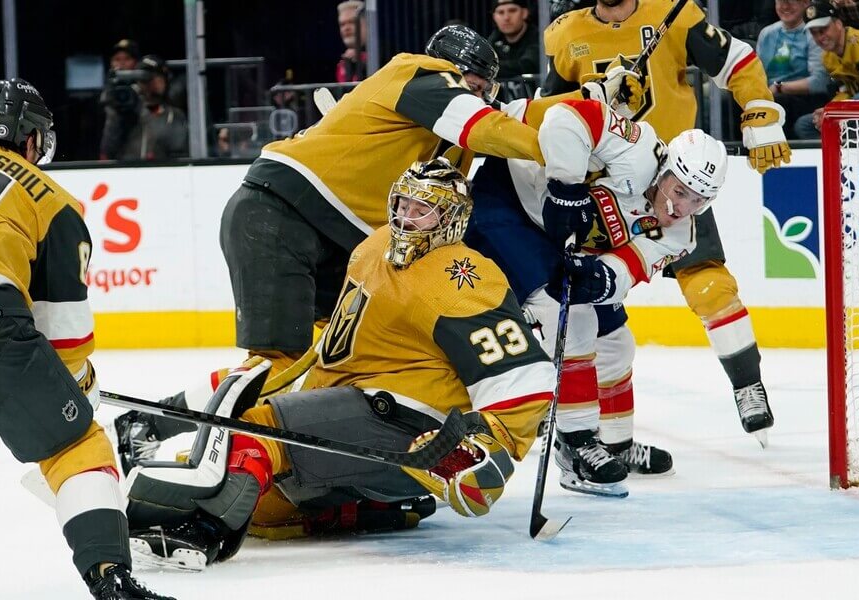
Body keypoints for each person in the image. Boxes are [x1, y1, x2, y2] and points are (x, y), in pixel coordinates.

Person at [113, 25, 565, 473]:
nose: (481, 96)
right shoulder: (419, 74)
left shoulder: (446, 134)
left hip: (338, 242)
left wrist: (596, 115)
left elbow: (507, 129)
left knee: (329, 354)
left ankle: (168, 427)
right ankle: (162, 430)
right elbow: (486, 126)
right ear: (454, 71)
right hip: (280, 213)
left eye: (486, 90)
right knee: (277, 363)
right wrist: (558, 152)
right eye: (475, 86)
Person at [122, 160, 555, 569]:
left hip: (410, 428)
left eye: (422, 210)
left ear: (451, 219)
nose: (406, 218)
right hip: (359, 409)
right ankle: (372, 507)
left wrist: (489, 448)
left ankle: (198, 532)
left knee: (256, 434)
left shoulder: (461, 278)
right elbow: (343, 336)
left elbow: (525, 375)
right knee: (263, 510)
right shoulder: (375, 246)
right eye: (402, 204)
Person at [539, 0, 789, 447]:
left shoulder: (671, 13)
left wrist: (758, 106)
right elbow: (547, 111)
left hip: (674, 184)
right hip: (600, 189)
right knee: (585, 315)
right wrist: (591, 98)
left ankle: (746, 384)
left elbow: (736, 59)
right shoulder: (564, 34)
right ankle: (594, 435)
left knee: (710, 285)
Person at [466, 86, 728, 495]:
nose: (681, 207)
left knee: (617, 342)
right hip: (509, 202)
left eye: (697, 200)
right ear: (664, 171)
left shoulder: (681, 234)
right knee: (570, 317)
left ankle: (615, 443)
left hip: (556, 239)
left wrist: (600, 276)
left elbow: (629, 267)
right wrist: (567, 187)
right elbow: (565, 118)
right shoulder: (637, 148)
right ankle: (576, 445)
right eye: (679, 191)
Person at [0, 79, 174, 599]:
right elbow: (64, 336)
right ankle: (109, 577)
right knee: (78, 449)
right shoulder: (48, 199)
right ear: (32, 140)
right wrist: (77, 390)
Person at [794, 0, 859, 139]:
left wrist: (838, 111)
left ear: (838, 24)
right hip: (856, 107)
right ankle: (836, 157)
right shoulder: (827, 57)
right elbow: (843, 91)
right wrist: (828, 111)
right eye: (814, 33)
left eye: (823, 30)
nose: (820, 37)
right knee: (805, 124)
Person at [757, 0, 833, 138]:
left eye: (791, 2)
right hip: (770, 94)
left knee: (777, 104)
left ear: (805, 3)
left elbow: (820, 82)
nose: (785, 6)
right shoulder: (766, 34)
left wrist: (779, 87)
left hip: (804, 98)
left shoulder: (814, 33)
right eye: (780, 2)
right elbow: (757, 74)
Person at [114, 55, 189, 161]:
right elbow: (110, 147)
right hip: (128, 170)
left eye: (156, 75)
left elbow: (178, 149)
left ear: (166, 79)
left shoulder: (175, 115)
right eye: (144, 78)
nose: (150, 82)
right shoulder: (127, 113)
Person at [99, 39, 140, 160]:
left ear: (136, 62)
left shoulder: (146, 91)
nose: (121, 64)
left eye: (127, 59)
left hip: (138, 154)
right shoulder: (104, 94)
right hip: (111, 154)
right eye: (117, 59)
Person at [490, 0, 540, 79]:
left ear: (524, 13)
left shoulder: (538, 37)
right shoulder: (495, 37)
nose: (506, 18)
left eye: (512, 11)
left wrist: (489, 68)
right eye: (500, 12)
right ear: (494, 17)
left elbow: (529, 65)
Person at [336, 1, 367, 83]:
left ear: (367, 24)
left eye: (352, 22)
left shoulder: (382, 57)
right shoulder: (342, 63)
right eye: (342, 24)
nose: (346, 28)